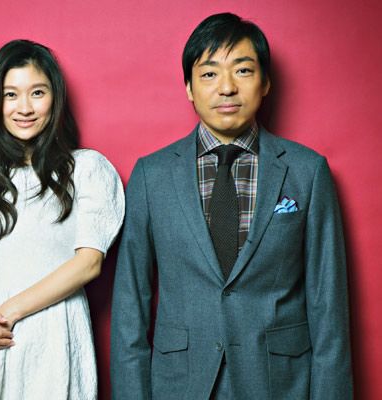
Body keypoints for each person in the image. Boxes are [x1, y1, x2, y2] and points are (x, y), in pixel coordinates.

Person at [111, 13, 352, 399]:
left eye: (242, 70)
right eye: (209, 74)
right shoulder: (152, 175)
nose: (226, 87)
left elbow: (330, 307)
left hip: (279, 384)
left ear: (265, 82)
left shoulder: (307, 172)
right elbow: (129, 307)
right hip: (180, 385)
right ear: (189, 88)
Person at [0, 39, 124, 399]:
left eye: (37, 93)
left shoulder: (86, 170)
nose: (24, 107)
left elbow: (88, 263)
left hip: (52, 338)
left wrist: (6, 314)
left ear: (55, 99)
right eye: (11, 95)